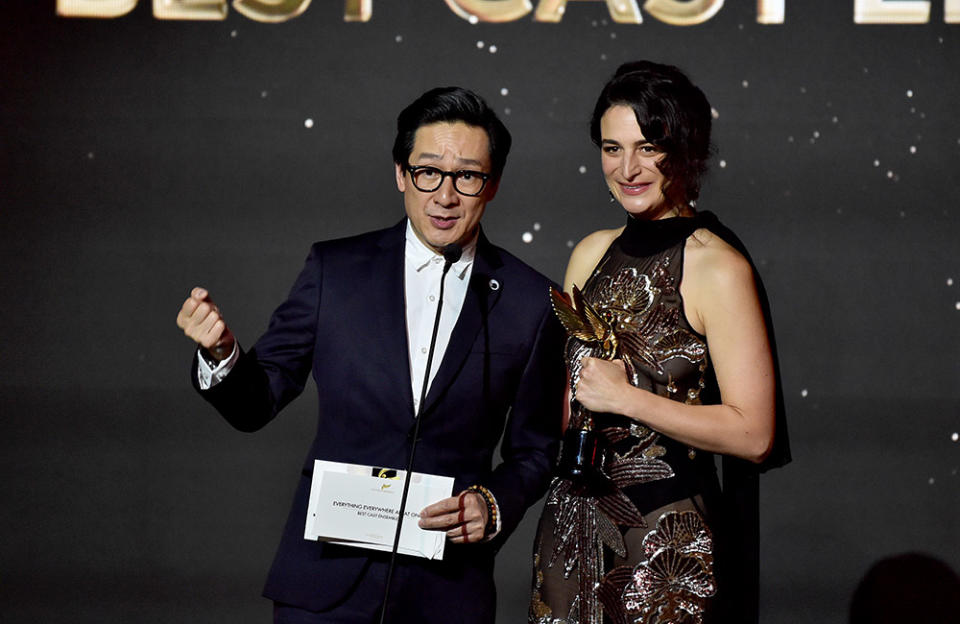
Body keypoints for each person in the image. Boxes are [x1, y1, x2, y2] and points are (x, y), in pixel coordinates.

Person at [176, 86, 565, 624]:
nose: (445, 196)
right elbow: (256, 401)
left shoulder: (532, 301)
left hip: (446, 591)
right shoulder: (336, 270)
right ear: (401, 175)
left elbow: (537, 448)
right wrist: (221, 354)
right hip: (323, 588)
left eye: (467, 176)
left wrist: (493, 503)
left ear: (491, 185)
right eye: (428, 172)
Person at [528, 61, 789, 624]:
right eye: (611, 147)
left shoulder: (715, 267)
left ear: (686, 151)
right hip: (570, 534)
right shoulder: (589, 253)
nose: (627, 168)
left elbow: (755, 434)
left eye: (648, 148)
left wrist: (629, 400)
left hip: (663, 547)